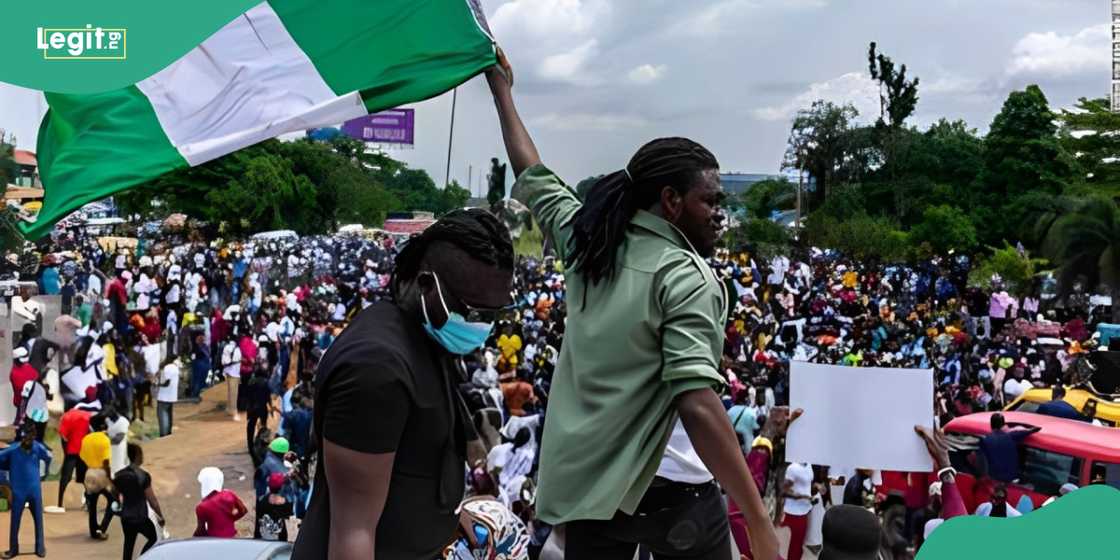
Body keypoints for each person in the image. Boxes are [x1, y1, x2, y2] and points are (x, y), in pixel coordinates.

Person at [486, 50, 777, 559]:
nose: (719, 214)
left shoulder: (586, 241)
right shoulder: (686, 276)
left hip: (589, 491)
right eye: (710, 201)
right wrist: (757, 519)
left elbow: (531, 173)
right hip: (674, 499)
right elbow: (697, 402)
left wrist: (502, 91)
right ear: (670, 200)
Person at [293, 209, 514, 559]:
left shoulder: (427, 338)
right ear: (427, 286)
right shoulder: (376, 370)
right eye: (475, 314)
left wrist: (447, 520)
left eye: (495, 314)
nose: (484, 327)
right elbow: (353, 532)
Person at [0, 428, 52, 558]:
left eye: (29, 438)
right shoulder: (13, 450)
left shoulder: (38, 447)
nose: (27, 441)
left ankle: (40, 548)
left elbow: (48, 457)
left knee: (39, 520)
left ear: (34, 437)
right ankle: (13, 549)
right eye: (24, 438)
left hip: (35, 491)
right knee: (15, 521)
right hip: (18, 491)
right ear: (21, 437)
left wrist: (46, 472)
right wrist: (5, 479)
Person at [113, 443, 165, 560]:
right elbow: (152, 501)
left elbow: (114, 491)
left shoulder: (119, 475)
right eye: (141, 454)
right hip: (140, 517)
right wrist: (160, 517)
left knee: (128, 545)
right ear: (137, 456)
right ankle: (143, 557)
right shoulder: (143, 476)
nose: (142, 457)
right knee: (153, 538)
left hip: (126, 517)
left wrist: (120, 501)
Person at [50, 402, 95, 514]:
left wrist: (66, 452)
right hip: (84, 451)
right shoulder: (88, 416)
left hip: (71, 452)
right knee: (86, 478)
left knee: (65, 478)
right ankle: (89, 504)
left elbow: (64, 436)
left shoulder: (67, 417)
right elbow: (92, 433)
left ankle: (60, 504)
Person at [80, 414, 117, 539]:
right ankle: (102, 528)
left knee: (92, 503)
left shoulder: (86, 439)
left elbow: (82, 457)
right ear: (103, 426)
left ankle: (93, 531)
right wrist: (110, 479)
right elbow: (106, 462)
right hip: (102, 474)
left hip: (90, 473)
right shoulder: (105, 440)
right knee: (113, 501)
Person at [977, 413, 1040, 483]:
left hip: (995, 478)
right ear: (1003, 425)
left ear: (991, 425)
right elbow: (1032, 430)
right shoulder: (1011, 436)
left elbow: (982, 461)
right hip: (1012, 477)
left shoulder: (985, 440)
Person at [194, 467, 248, 538]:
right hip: (232, 536)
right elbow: (243, 511)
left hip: (214, 540)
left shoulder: (201, 507)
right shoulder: (229, 494)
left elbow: (201, 530)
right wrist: (229, 520)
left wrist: (192, 539)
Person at [782, 462, 814, 560]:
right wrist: (801, 496)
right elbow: (784, 490)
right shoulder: (793, 468)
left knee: (800, 543)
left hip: (806, 509)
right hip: (794, 512)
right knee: (795, 545)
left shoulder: (809, 464)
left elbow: (807, 484)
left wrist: (816, 487)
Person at [255, 472, 293, 542]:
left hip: (264, 537)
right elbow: (290, 514)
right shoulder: (286, 503)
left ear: (269, 486)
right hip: (281, 537)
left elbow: (258, 518)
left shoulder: (262, 501)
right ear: (281, 487)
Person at [220, 335, 242, 421]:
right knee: (234, 393)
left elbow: (224, 361)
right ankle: (234, 412)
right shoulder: (236, 348)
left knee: (230, 391)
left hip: (228, 371)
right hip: (234, 372)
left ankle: (229, 408)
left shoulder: (226, 347)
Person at [156, 358, 179, 438]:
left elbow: (166, 382)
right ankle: (168, 433)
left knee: (163, 415)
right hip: (171, 396)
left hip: (164, 396)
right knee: (169, 414)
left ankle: (164, 434)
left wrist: (157, 383)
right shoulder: (175, 367)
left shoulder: (168, 368)